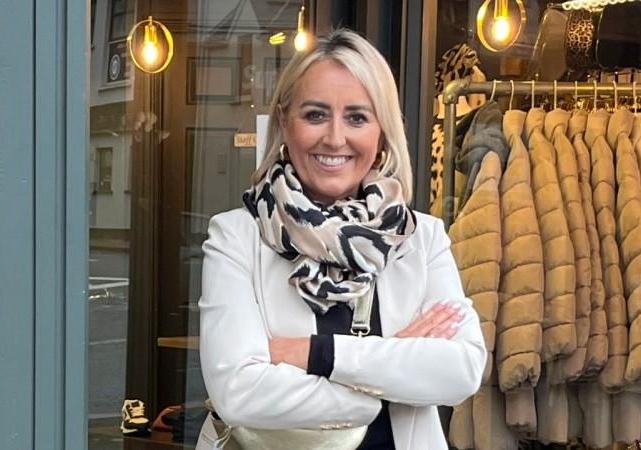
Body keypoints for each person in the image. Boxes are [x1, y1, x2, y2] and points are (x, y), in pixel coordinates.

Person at [196, 28, 486, 450]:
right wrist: (386, 379)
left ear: (382, 131)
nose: (335, 138)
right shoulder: (237, 236)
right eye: (315, 115)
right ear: (284, 122)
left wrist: (318, 354)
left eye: (357, 117)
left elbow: (461, 370)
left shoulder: (419, 238)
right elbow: (239, 392)